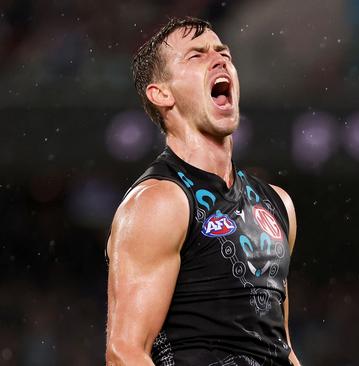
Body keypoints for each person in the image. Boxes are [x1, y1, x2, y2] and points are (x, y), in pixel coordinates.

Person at [105, 16, 301, 366]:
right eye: (196, 56)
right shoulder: (159, 202)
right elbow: (125, 352)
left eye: (223, 52)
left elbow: (279, 347)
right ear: (161, 93)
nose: (219, 59)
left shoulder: (277, 204)